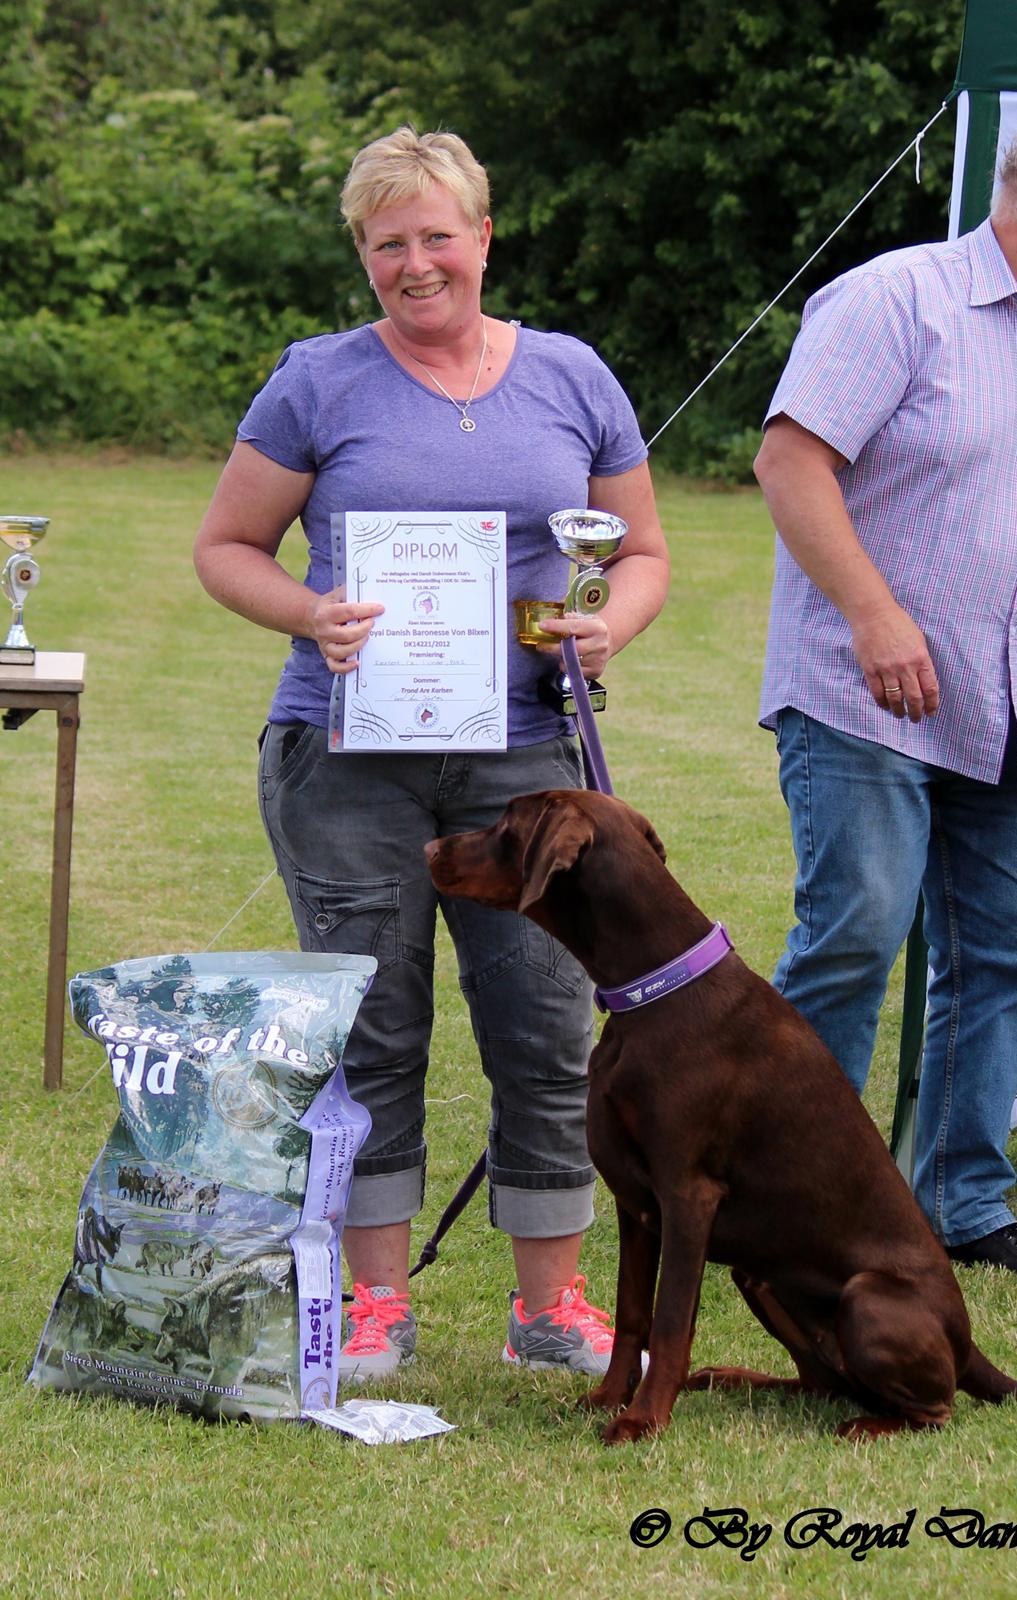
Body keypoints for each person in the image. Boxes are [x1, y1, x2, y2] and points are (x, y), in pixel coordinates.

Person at [194, 126, 669, 1374]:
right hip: (347, 758)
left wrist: (603, 624)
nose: (415, 263)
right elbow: (226, 547)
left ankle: (548, 1307)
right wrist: (312, 611)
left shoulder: (570, 375)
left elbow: (643, 553)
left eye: (435, 235)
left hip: (524, 758)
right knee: (372, 1023)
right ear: (361, 255)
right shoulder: (316, 380)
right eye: (385, 242)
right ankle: (373, 1306)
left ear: (482, 236)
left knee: (541, 1018)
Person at [754, 103, 1017, 1280]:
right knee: (853, 934)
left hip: (1014, 704)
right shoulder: (893, 298)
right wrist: (873, 612)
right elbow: (789, 462)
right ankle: (794, 1203)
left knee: (1001, 956)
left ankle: (958, 1206)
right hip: (862, 690)